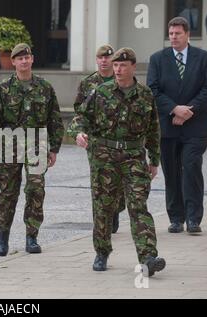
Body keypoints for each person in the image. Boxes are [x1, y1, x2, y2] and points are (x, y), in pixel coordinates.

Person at [67, 48, 166, 276]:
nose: (118, 70)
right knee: (103, 206)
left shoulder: (145, 95)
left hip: (134, 158)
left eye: (123, 65)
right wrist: (79, 133)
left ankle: (148, 257)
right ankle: (102, 252)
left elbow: (153, 130)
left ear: (133, 66)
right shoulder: (100, 92)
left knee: (138, 205)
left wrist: (154, 159)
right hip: (105, 158)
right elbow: (80, 117)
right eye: (115, 65)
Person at [0, 43, 64, 257]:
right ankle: (3, 234)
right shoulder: (4, 88)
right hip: (9, 144)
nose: (23, 61)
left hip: (36, 144)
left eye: (26, 58)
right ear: (13, 62)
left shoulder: (45, 87)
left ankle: (32, 235)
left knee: (35, 190)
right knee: (7, 192)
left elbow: (55, 119)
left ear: (32, 59)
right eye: (19, 58)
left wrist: (54, 148)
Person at [147, 17, 207, 234]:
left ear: (187, 34)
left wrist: (188, 111)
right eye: (171, 34)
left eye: (178, 33)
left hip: (195, 126)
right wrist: (175, 109)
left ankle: (194, 218)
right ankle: (176, 218)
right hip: (169, 126)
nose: (174, 37)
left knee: (190, 167)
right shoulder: (158, 59)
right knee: (172, 172)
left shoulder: (204, 58)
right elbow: (153, 89)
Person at [73, 44, 123, 234]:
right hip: (96, 140)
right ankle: (102, 222)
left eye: (107, 57)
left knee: (119, 181)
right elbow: (79, 110)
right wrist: (80, 131)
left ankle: (116, 209)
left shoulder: (122, 80)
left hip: (119, 139)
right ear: (96, 59)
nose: (104, 61)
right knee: (99, 181)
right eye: (100, 57)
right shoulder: (88, 83)